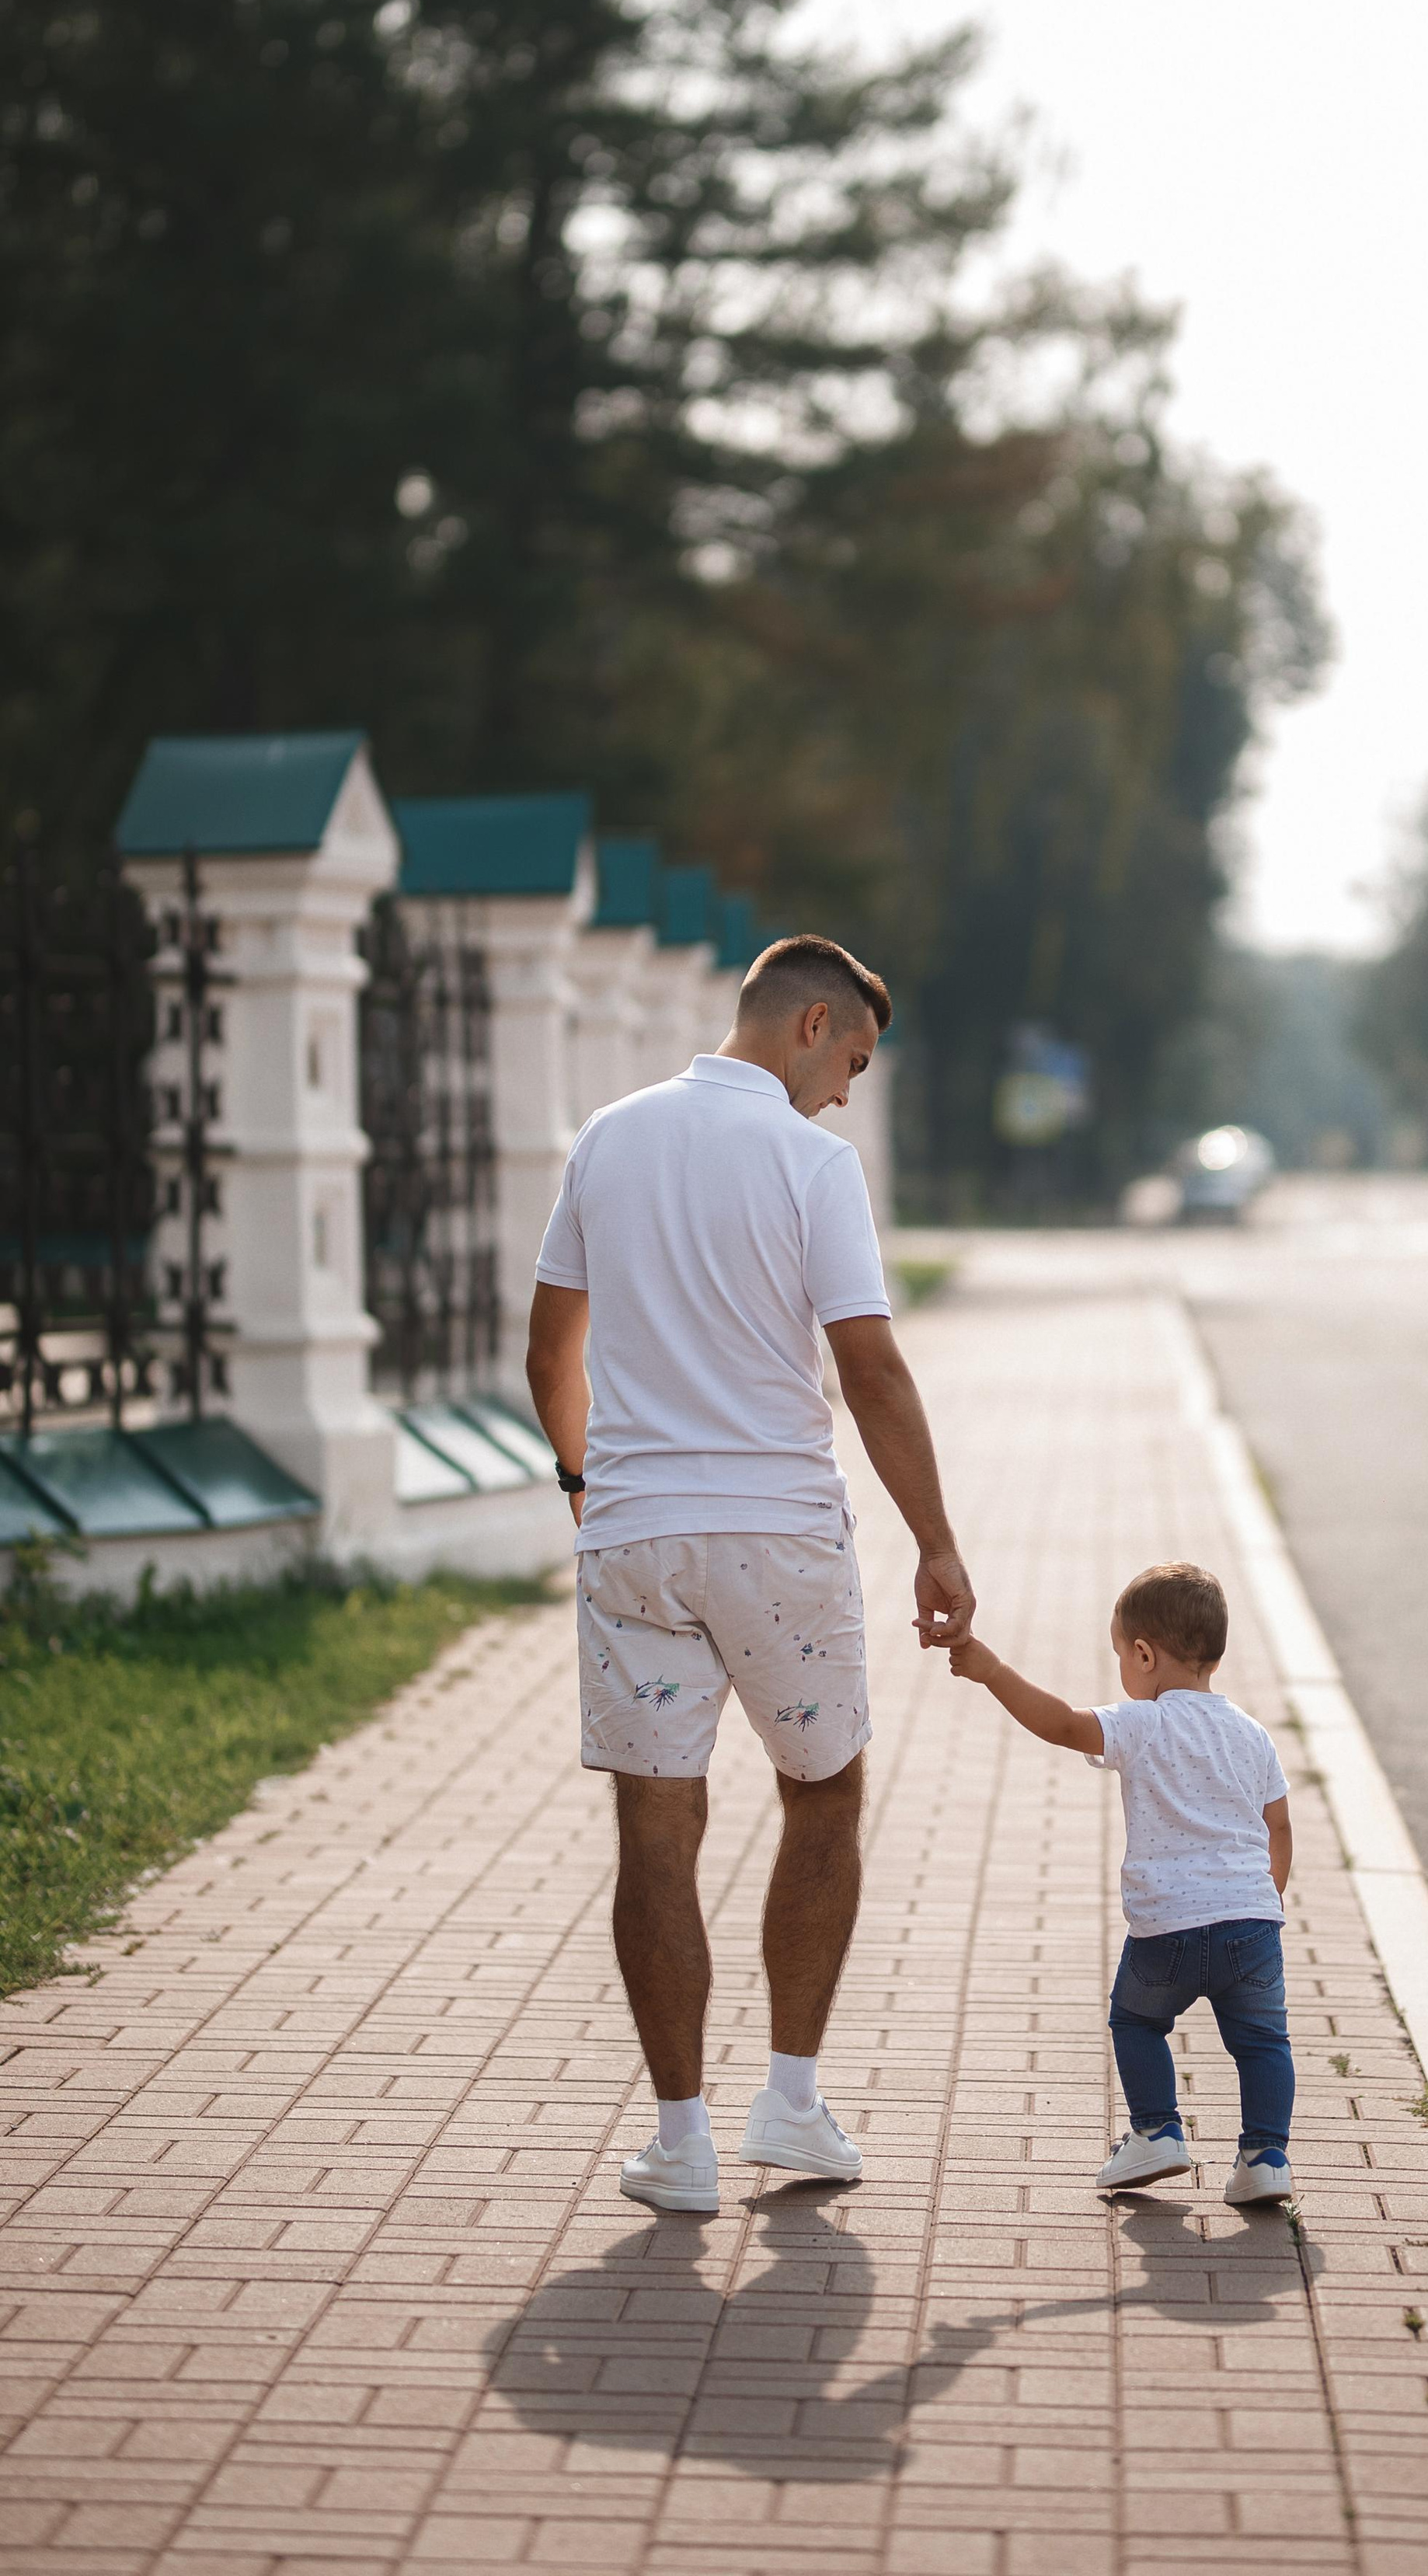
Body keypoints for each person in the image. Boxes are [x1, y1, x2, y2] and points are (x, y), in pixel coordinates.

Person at [525, 933, 974, 2213]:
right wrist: (936, 1540)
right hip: (778, 1538)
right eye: (854, 1063)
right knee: (823, 1797)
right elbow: (870, 1369)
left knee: (655, 1829)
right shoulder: (810, 1163)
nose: (848, 1094)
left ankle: (681, 2145)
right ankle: (790, 2102)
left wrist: (584, 1484)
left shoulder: (607, 1137)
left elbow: (548, 1353)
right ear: (811, 1024)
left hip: (635, 1538)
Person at [947, 1562, 1296, 2205]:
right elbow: (1278, 1825)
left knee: (1136, 2021)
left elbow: (1061, 1723)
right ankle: (1266, 2157)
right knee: (1263, 2042)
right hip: (1252, 1924)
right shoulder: (1252, 1735)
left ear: (1143, 1654)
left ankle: (1157, 2131)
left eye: (1119, 1656)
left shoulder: (1144, 1723)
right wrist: (1266, 1895)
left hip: (1168, 1927)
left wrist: (992, 1670)